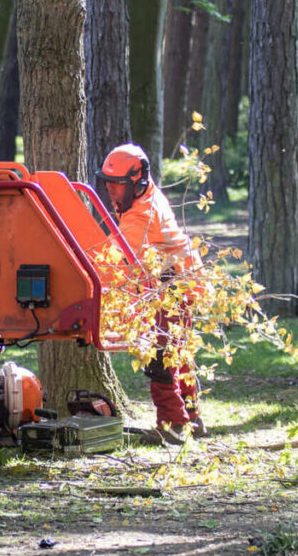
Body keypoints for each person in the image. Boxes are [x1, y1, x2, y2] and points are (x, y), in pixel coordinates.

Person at [97, 143, 206, 444]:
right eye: (108, 184)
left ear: (137, 180)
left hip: (173, 285)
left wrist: (86, 276)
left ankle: (173, 425)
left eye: (117, 185)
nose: (111, 191)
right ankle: (192, 418)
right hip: (178, 280)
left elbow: (115, 261)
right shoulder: (145, 198)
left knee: (158, 357)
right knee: (177, 353)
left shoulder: (141, 214)